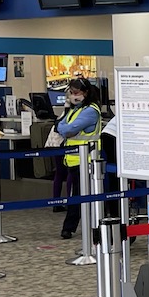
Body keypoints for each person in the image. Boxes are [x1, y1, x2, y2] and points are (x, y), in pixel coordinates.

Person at [53, 78, 102, 240]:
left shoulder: (90, 111)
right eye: (71, 93)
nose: (73, 96)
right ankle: (81, 227)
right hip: (74, 161)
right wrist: (63, 127)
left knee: (79, 197)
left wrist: (63, 127)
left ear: (86, 93)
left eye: (76, 92)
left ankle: (71, 228)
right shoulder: (76, 110)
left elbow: (67, 129)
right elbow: (60, 126)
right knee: (78, 195)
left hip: (87, 161)